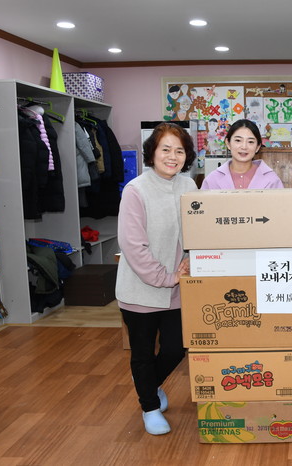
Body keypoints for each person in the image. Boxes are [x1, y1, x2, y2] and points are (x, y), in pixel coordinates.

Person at [116, 122, 198, 436]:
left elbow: (199, 231)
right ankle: (149, 406)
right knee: (142, 354)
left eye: (179, 151)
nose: (172, 156)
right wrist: (167, 277)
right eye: (166, 149)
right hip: (141, 290)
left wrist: (193, 259)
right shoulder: (136, 190)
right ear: (152, 152)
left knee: (176, 348)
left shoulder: (190, 187)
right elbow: (133, 246)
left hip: (179, 288)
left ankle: (149, 383)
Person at [201, 119, 284, 189]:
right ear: (228, 143)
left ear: (258, 147)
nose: (244, 147)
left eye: (250, 142)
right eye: (238, 140)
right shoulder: (212, 179)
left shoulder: (272, 180)